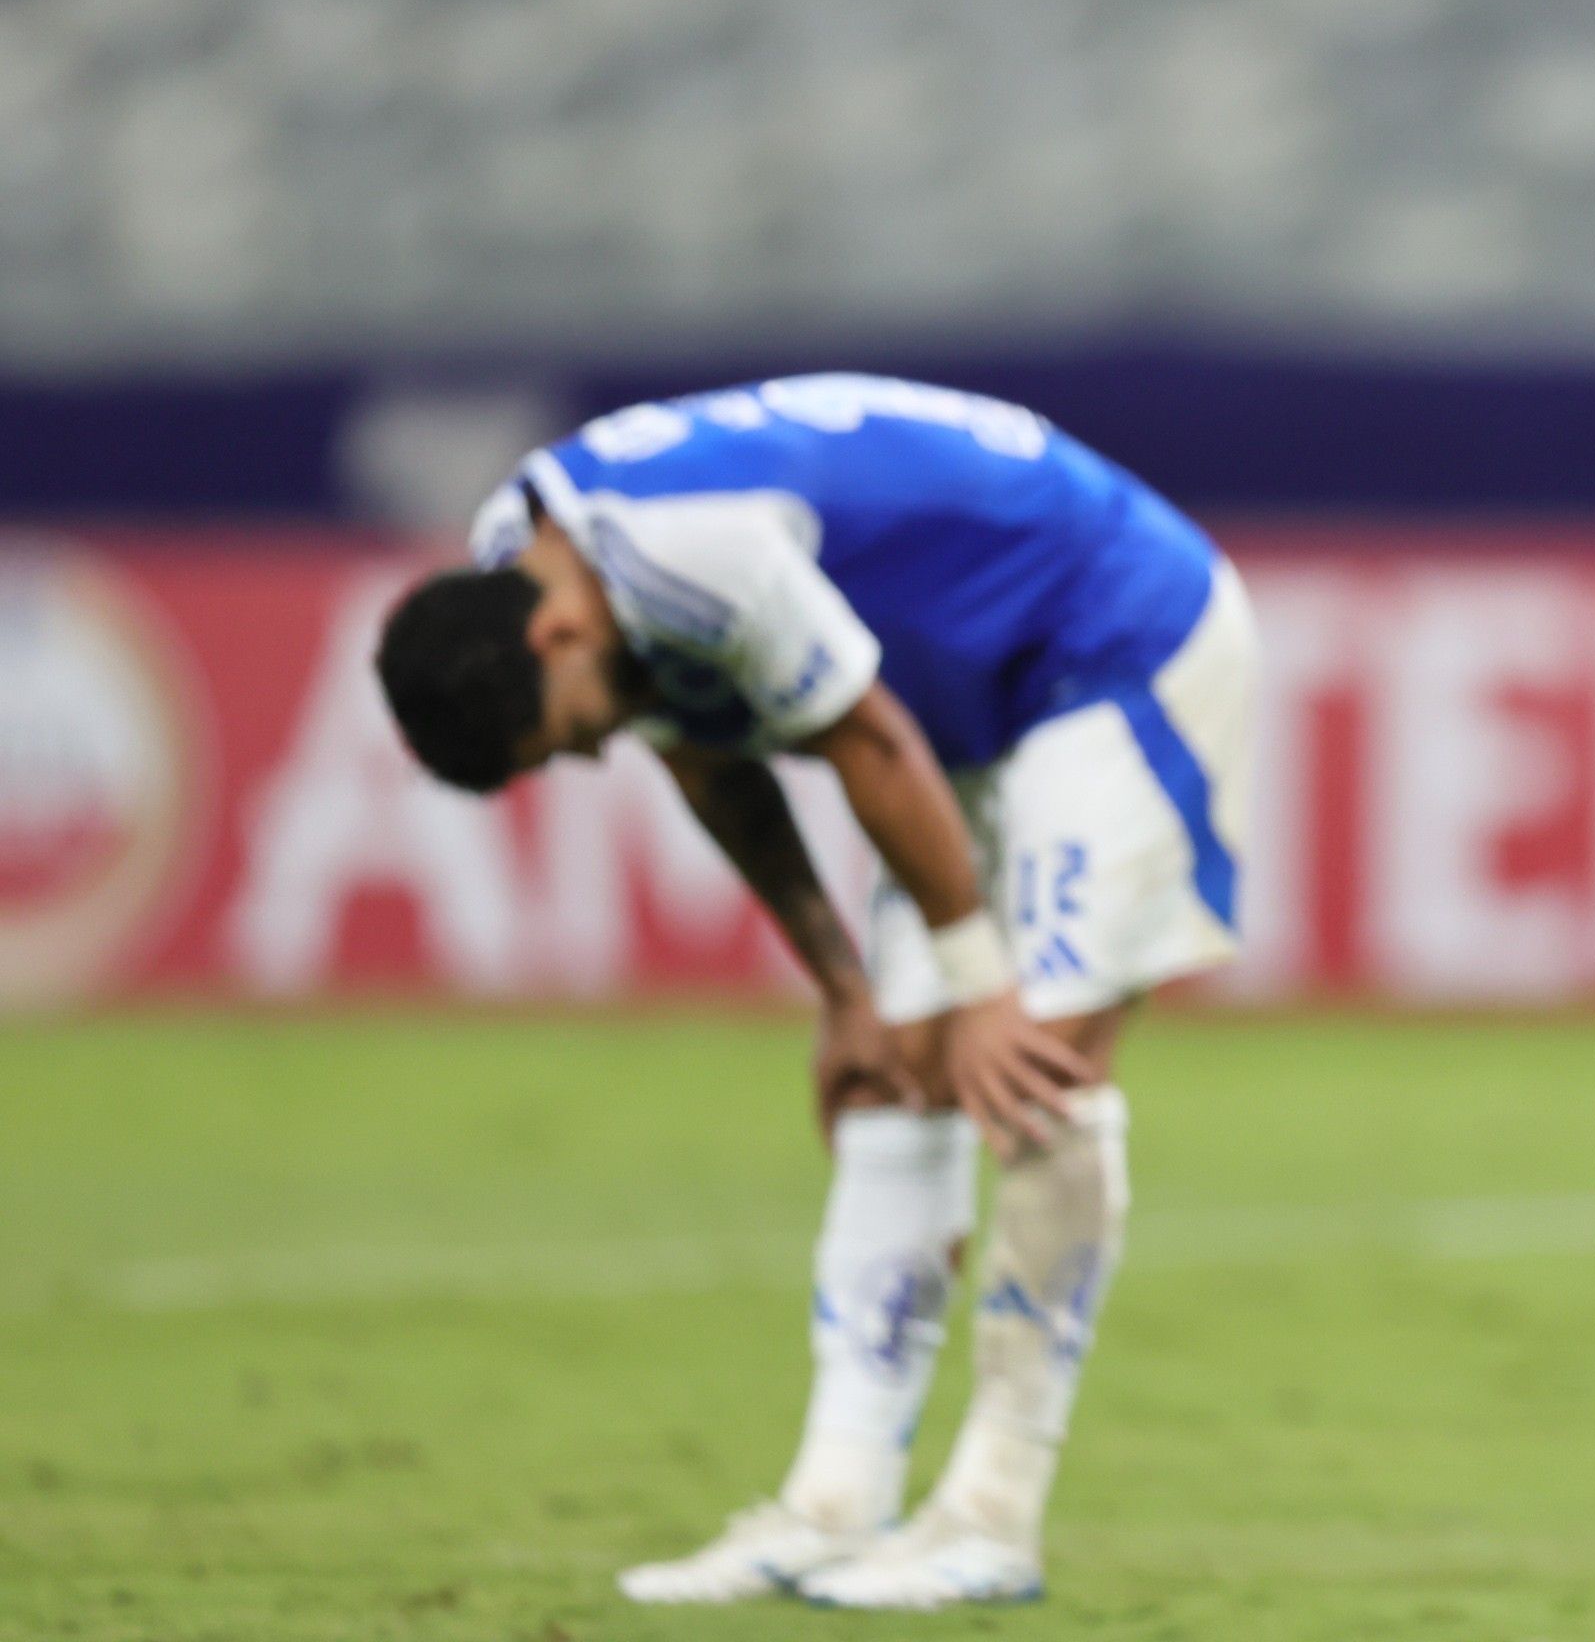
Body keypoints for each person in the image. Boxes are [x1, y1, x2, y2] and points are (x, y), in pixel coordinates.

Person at [374, 372, 1256, 1612]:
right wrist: (845, 987)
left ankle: (992, 1512)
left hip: (1116, 639)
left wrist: (980, 983)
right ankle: (835, 1499)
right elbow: (711, 759)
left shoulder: (684, 549)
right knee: (901, 1067)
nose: (584, 748)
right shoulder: (527, 562)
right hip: (967, 704)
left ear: (553, 638)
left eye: (565, 730)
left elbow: (867, 745)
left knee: (1033, 1061)